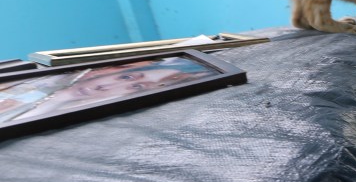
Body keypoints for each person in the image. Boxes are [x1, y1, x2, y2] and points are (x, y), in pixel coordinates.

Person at [11, 56, 217, 122]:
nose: (104, 87)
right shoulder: (24, 86)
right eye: (126, 76)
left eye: (136, 87)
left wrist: (60, 99)